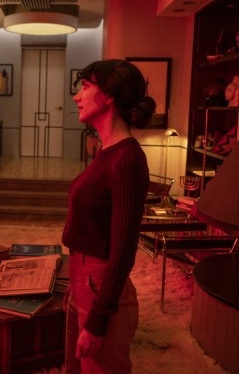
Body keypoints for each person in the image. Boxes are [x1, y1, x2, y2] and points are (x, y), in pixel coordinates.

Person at [63, 59, 156, 373]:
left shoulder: (127, 159)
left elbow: (123, 250)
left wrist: (99, 316)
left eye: (86, 86)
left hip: (100, 283)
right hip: (83, 277)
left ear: (109, 96)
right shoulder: (107, 151)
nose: (77, 96)